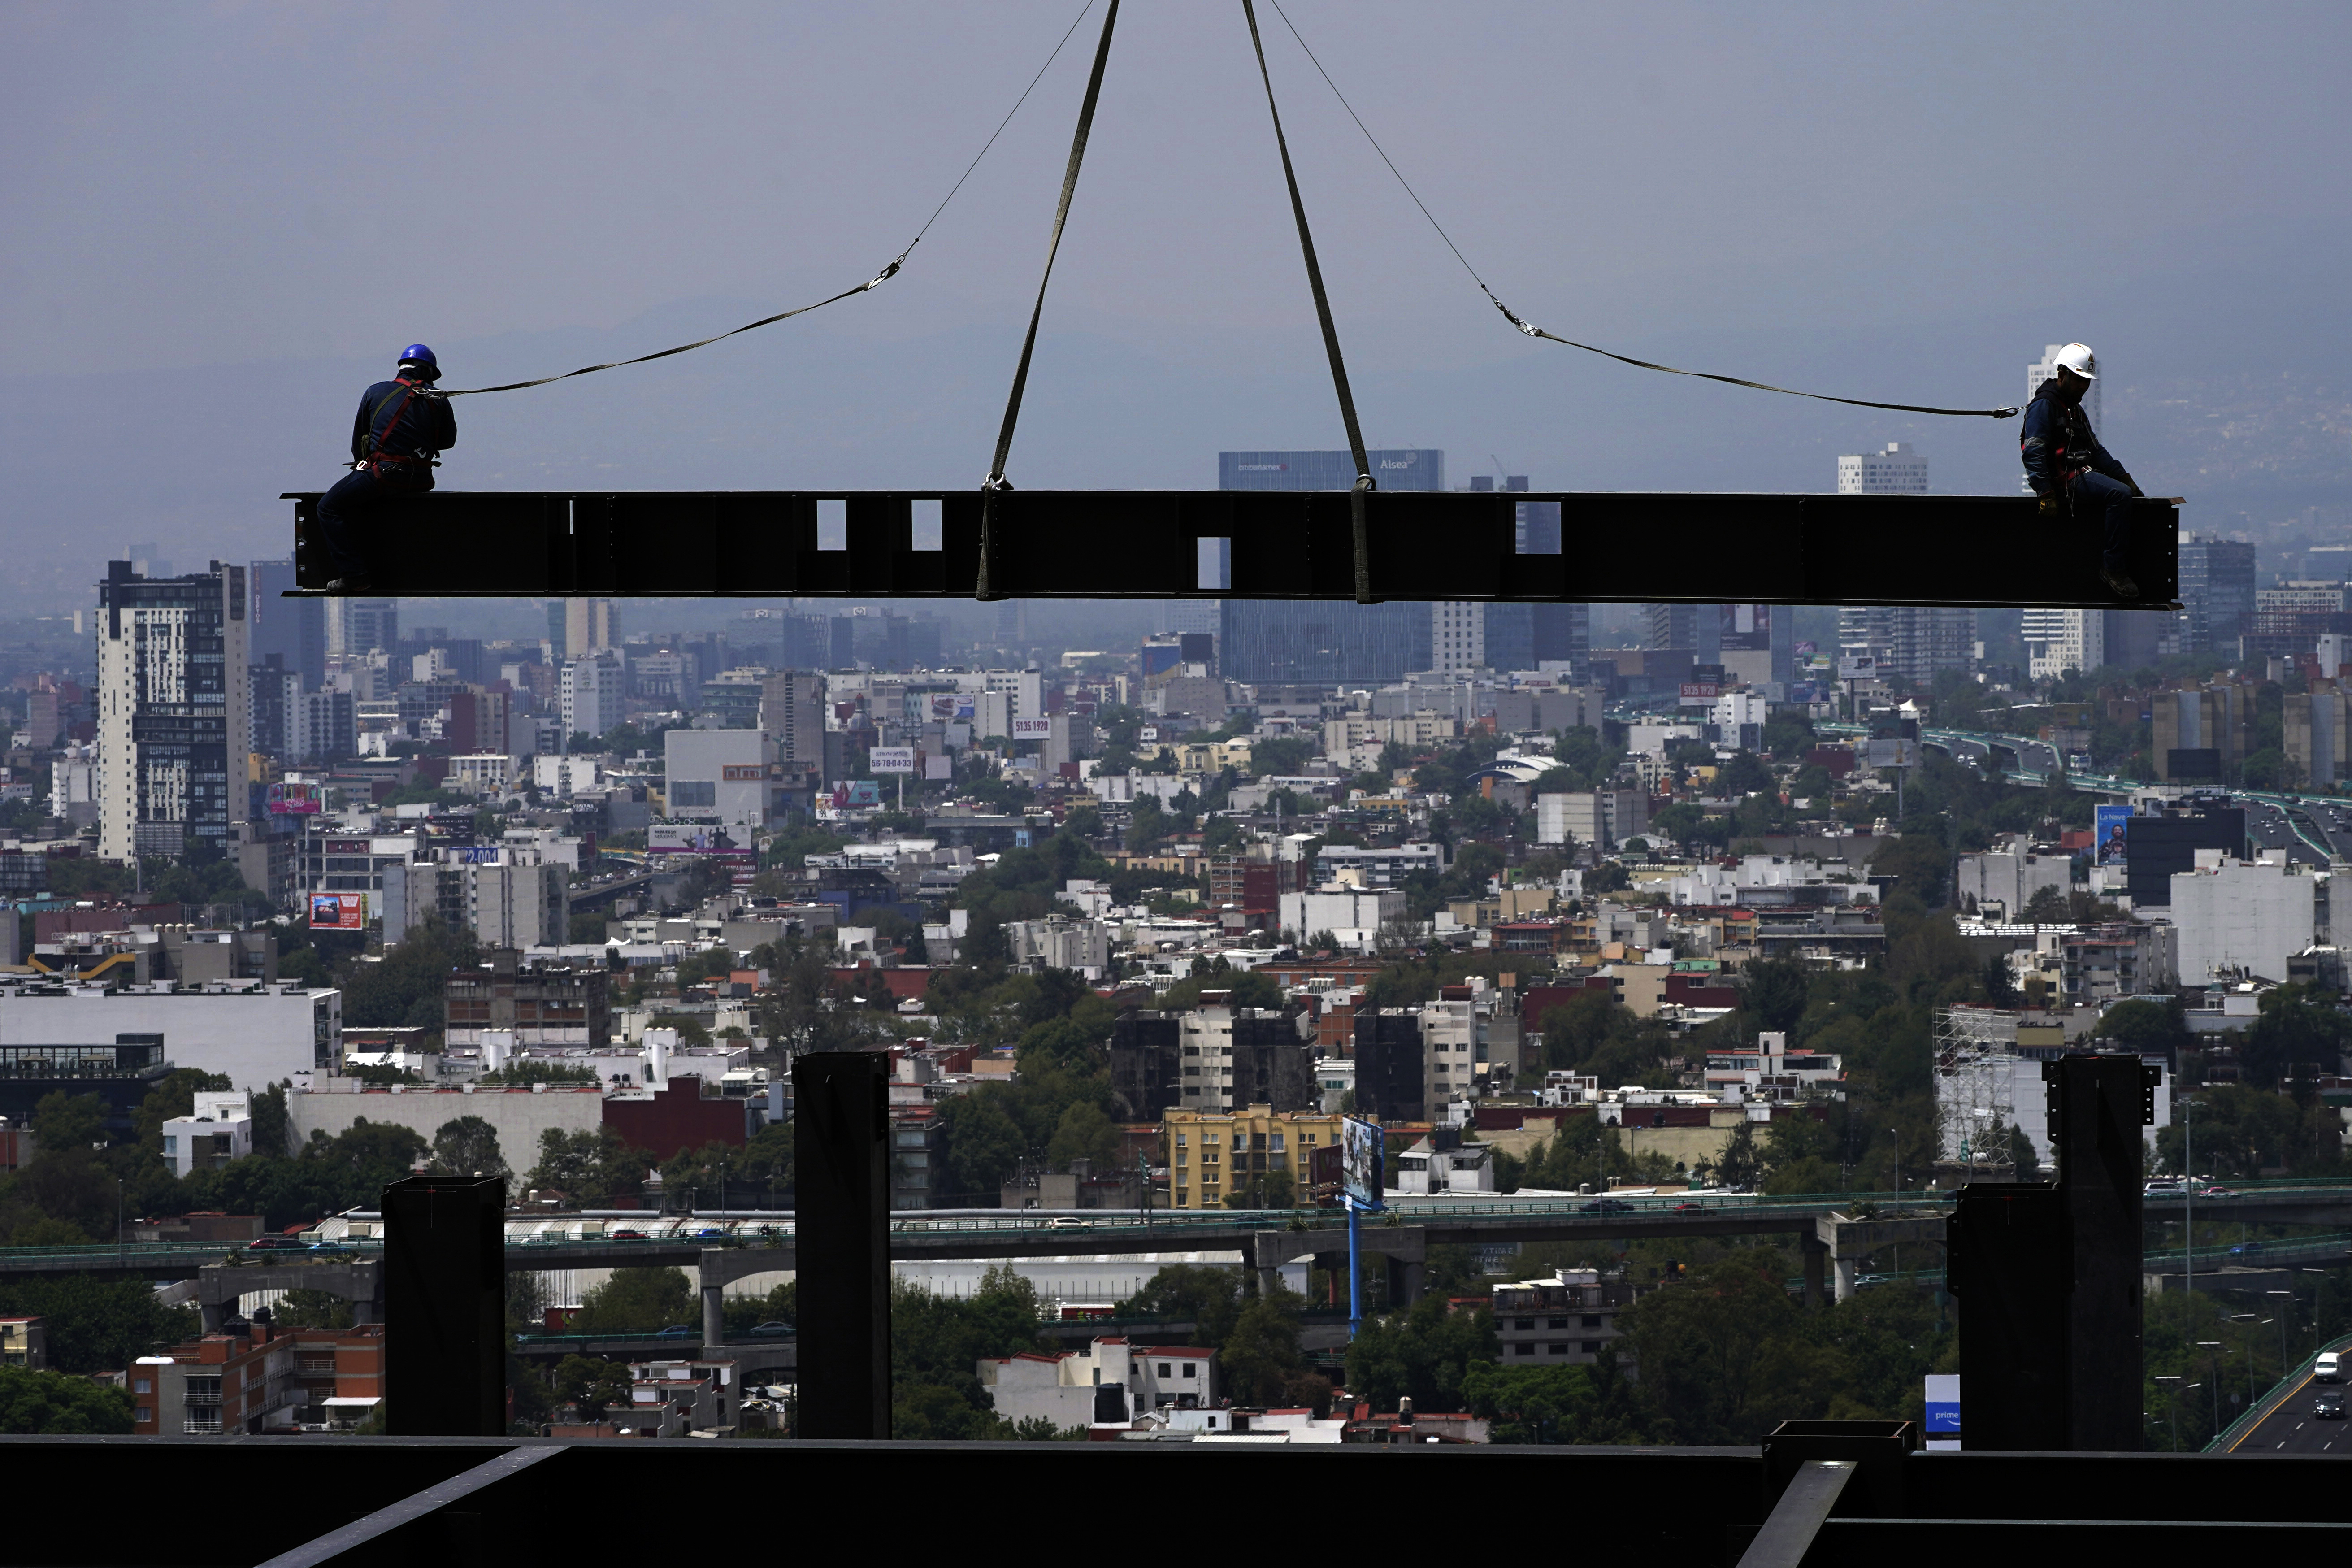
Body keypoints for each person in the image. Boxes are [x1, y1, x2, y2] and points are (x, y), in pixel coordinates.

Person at [313, 344, 457, 592]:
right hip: (421, 479)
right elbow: (447, 442)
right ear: (426, 371)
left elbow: (360, 440)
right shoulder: (438, 399)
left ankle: (354, 576)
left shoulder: (376, 392)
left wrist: (364, 467)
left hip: (384, 476)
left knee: (327, 508)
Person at [2019, 342, 2144, 599]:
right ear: (2062, 375)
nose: (2083, 387)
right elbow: (2033, 451)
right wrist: (2045, 493)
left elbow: (2097, 451)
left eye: (2086, 382)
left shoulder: (2073, 409)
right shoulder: (2045, 406)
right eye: (2078, 381)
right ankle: (2114, 569)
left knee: (2125, 493)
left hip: (2078, 476)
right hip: (2065, 482)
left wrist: (2126, 479)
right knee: (2119, 496)